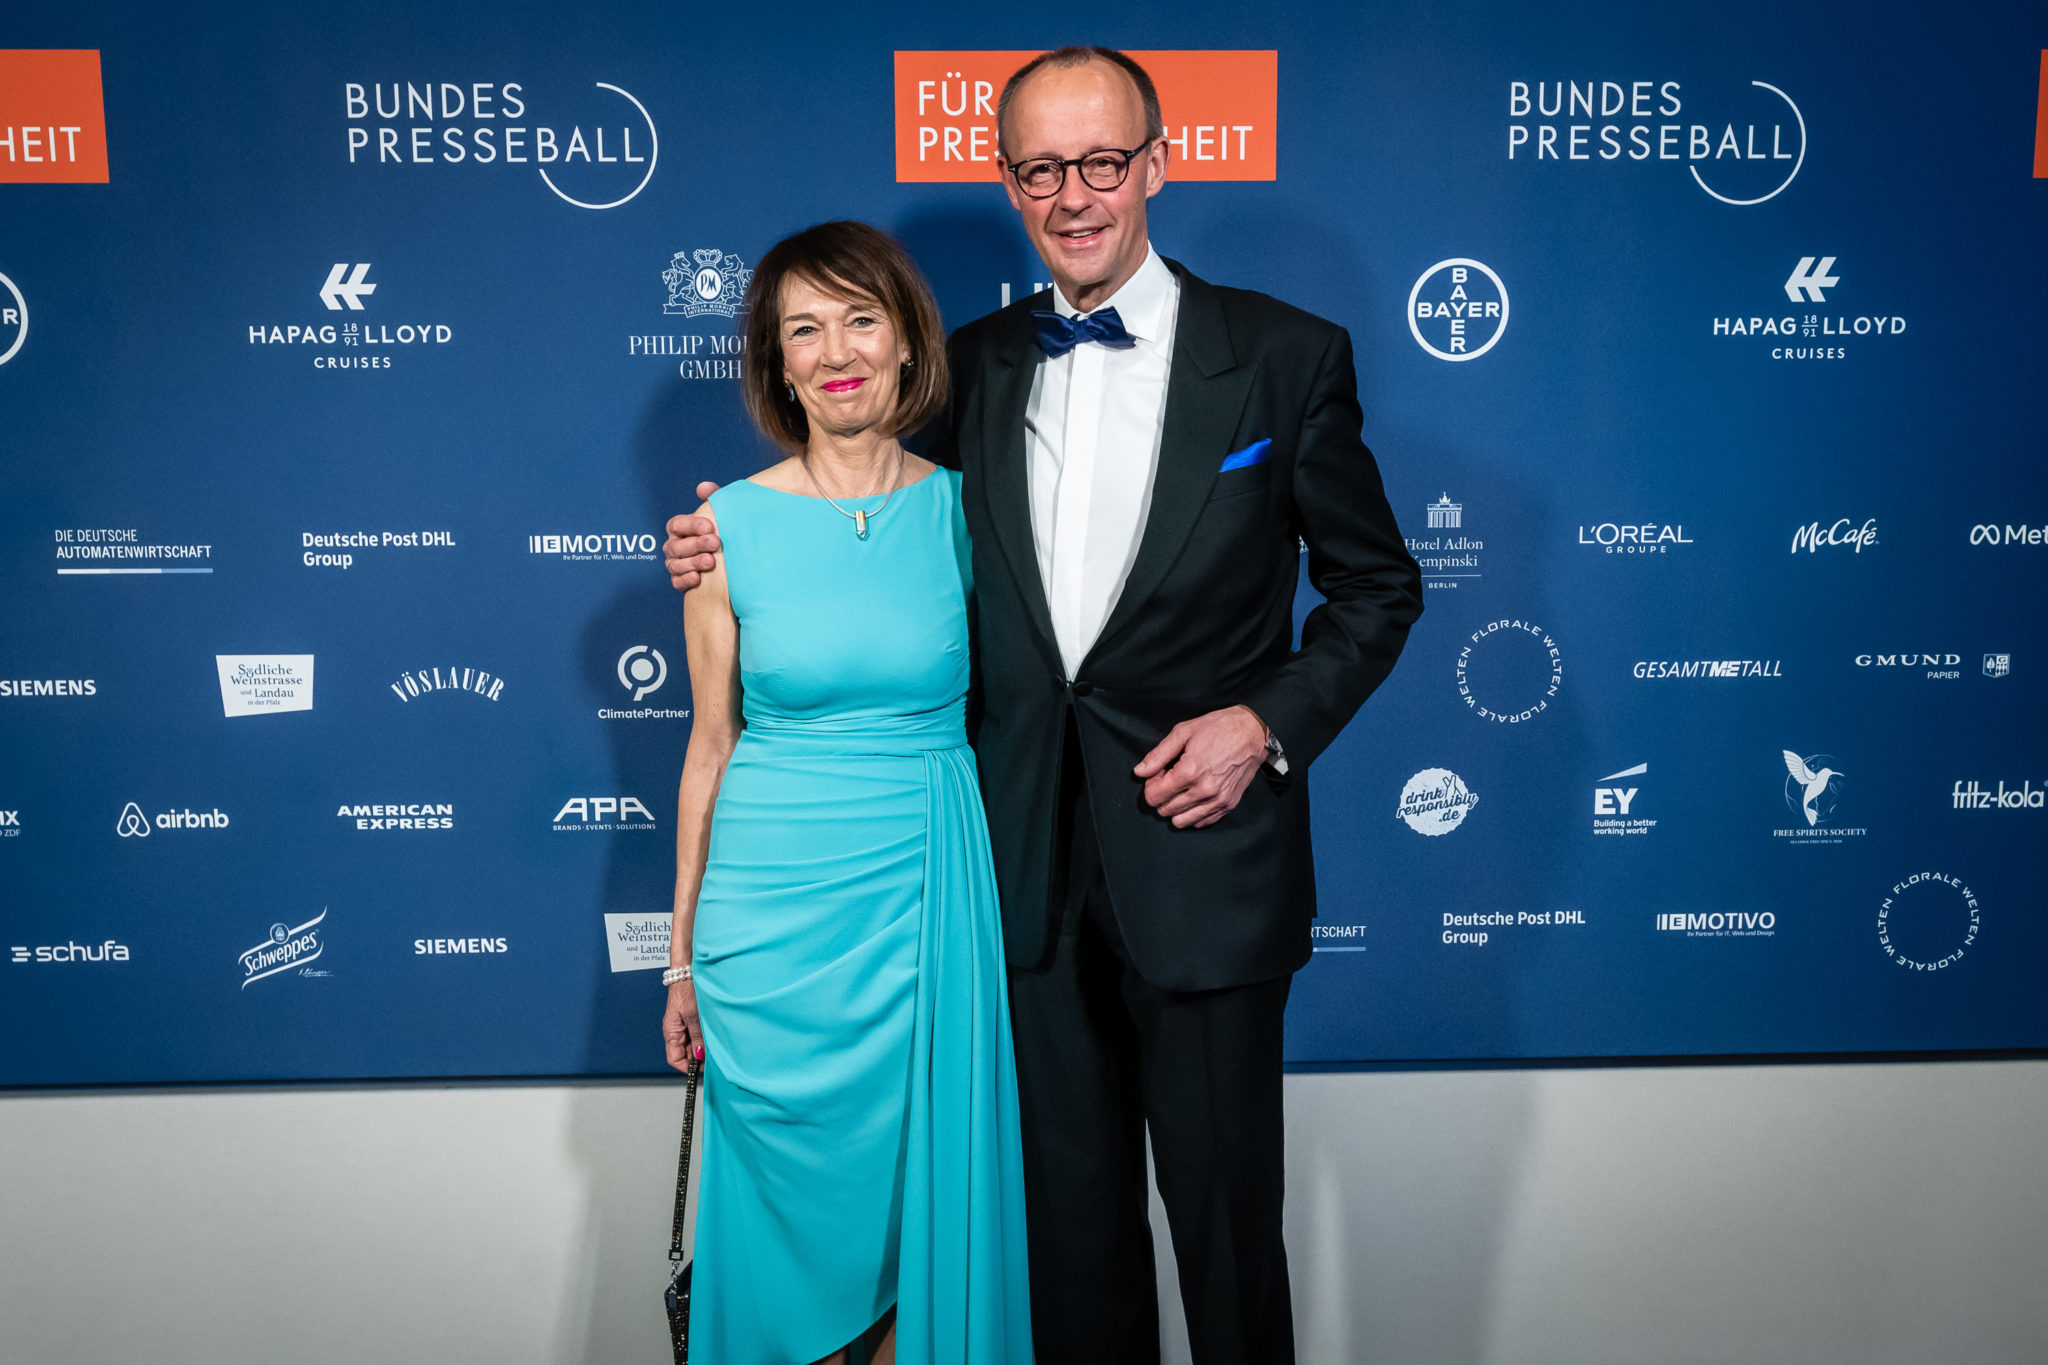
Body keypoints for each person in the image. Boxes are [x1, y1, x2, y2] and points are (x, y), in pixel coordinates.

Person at [667, 47, 1422, 1365]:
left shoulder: (1282, 356)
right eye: (1040, 170)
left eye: (1102, 162)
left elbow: (1377, 587)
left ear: (1157, 164)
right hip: (1008, 888)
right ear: (1009, 181)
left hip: (1202, 875)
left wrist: (1263, 725)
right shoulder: (967, 369)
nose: (1073, 195)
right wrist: (721, 536)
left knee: (1228, 1249)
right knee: (1070, 1262)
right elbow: (860, 506)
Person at [660, 220, 1033, 1365]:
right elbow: (709, 746)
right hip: (768, 933)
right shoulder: (723, 528)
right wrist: (680, 961)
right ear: (776, 364)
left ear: (907, 341)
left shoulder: (976, 513)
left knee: (921, 1228)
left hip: (924, 906)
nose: (836, 352)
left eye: (860, 320)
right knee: (785, 1246)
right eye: (803, 330)